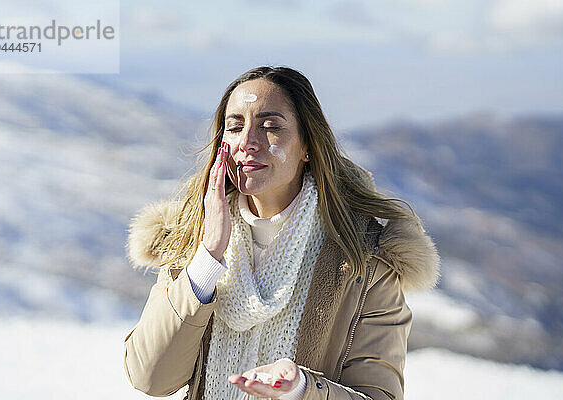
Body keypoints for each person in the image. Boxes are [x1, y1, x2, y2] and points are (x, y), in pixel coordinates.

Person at [122, 66, 441, 400]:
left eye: (270, 127)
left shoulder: (366, 262)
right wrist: (208, 257)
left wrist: (300, 390)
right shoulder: (191, 236)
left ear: (307, 146)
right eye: (234, 127)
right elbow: (150, 378)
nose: (246, 143)